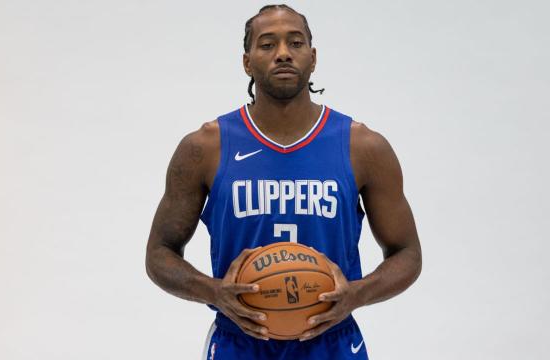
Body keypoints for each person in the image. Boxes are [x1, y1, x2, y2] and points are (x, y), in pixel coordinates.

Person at [145, 4, 422, 359]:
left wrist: (357, 293)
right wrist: (214, 292)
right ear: (247, 61)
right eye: (267, 45)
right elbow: (159, 253)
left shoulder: (363, 147)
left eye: (295, 43)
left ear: (313, 56)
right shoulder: (205, 147)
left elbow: (408, 253)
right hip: (239, 342)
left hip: (331, 341)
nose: (283, 54)